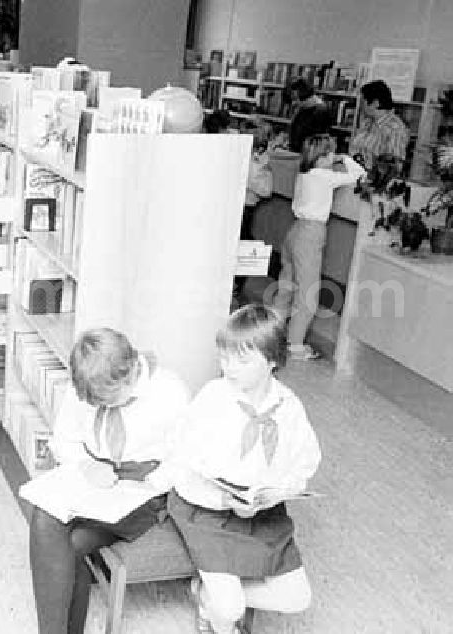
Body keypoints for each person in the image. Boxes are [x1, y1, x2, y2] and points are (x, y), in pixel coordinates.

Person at [166, 304, 320, 634]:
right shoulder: (213, 397)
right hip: (208, 512)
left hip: (262, 514)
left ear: (274, 360)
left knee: (297, 598)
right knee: (229, 610)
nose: (230, 369)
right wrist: (223, 501)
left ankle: (204, 594)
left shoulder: (288, 405)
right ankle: (220, 611)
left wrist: (279, 490)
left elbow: (304, 461)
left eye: (243, 360)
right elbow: (184, 463)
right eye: (225, 359)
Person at [28, 328, 190, 634]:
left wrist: (147, 482)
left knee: (69, 545)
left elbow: (185, 459)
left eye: (109, 400)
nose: (102, 407)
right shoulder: (90, 384)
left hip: (143, 491)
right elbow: (64, 439)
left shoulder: (169, 391)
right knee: (43, 516)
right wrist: (86, 465)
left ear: (128, 376)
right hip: (93, 477)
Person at [273, 134, 365, 361]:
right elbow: (360, 175)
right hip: (311, 234)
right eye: (331, 152)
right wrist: (346, 159)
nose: (334, 156)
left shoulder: (304, 175)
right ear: (323, 157)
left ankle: (271, 332)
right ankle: (295, 345)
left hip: (294, 230)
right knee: (307, 291)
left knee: (286, 284)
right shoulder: (325, 176)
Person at [233, 119, 274, 302]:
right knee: (243, 247)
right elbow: (266, 190)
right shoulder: (257, 163)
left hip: (244, 208)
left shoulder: (249, 159)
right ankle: (236, 288)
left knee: (242, 246)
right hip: (243, 207)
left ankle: (236, 288)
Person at [349, 79, 410, 173]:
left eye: (363, 101)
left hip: (371, 179)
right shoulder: (368, 122)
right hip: (355, 172)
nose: (361, 105)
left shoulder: (395, 128)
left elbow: (394, 167)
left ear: (375, 103)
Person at [287, 78, 333, 153]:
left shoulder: (320, 111)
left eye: (296, 99)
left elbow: (317, 140)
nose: (293, 103)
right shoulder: (303, 108)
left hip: (309, 154)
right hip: (296, 152)